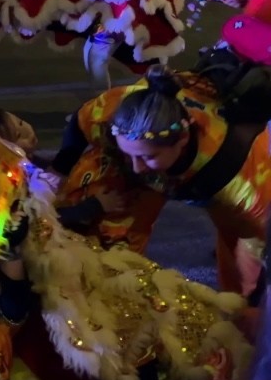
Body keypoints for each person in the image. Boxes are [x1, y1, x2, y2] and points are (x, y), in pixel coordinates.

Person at [41, 65, 271, 299]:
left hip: (221, 181)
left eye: (146, 157)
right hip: (171, 166)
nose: (136, 166)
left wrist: (252, 302)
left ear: (182, 139)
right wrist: (59, 170)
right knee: (115, 241)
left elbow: (261, 241)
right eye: (129, 154)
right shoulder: (123, 108)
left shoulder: (238, 179)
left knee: (244, 259)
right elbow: (83, 120)